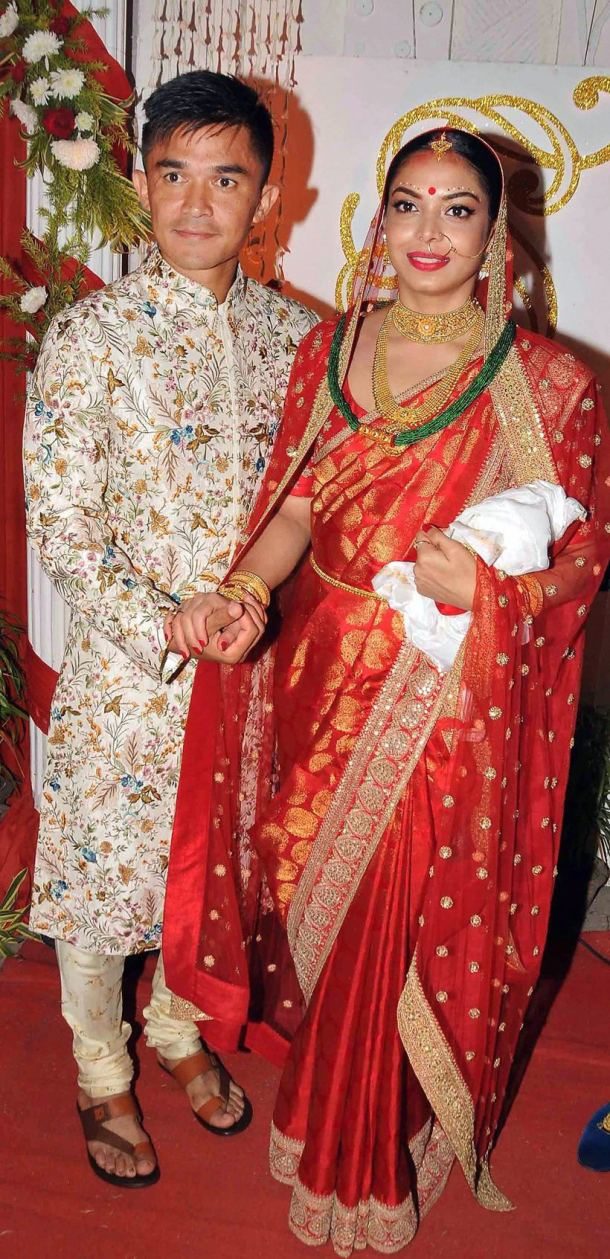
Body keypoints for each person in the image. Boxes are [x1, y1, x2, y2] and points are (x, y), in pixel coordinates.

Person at [166, 127, 610, 1253]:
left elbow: (581, 563)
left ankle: (361, 1161)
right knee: (303, 902)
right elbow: (301, 507)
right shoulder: (331, 346)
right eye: (406, 204)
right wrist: (243, 591)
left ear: (493, 232)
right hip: (317, 678)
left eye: (455, 210)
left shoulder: (546, 381)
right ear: (379, 220)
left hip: (438, 702)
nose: (426, 232)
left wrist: (493, 593)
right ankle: (325, 1111)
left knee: (389, 931)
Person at [23, 68, 317, 1188]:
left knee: (216, 870)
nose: (197, 204)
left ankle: (179, 1032)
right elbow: (60, 519)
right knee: (102, 882)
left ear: (267, 196)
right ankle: (102, 1068)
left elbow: (311, 499)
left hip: (249, 668)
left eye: (226, 178)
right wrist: (167, 620)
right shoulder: (92, 335)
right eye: (174, 174)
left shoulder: (302, 340)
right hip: (128, 670)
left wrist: (246, 611)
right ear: (143, 182)